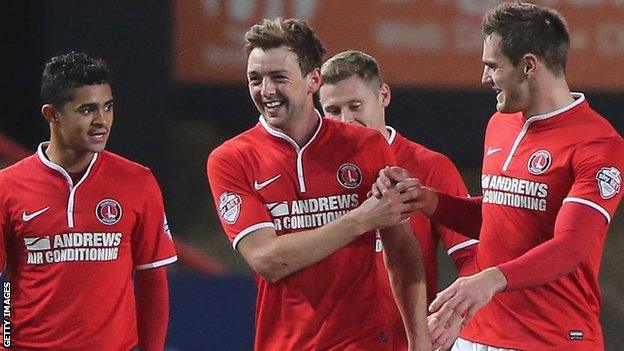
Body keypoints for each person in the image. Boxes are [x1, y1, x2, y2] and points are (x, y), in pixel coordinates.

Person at [376, 2, 624, 350]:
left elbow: (572, 246)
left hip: (551, 339)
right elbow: (502, 214)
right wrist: (431, 201)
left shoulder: (598, 144)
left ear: (528, 66)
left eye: (492, 66)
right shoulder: (500, 123)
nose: (484, 78)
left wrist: (491, 278)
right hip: (478, 333)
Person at [207, 18, 431, 350]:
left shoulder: (366, 146)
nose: (265, 91)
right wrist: (360, 219)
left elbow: (402, 250)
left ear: (313, 80)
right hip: (286, 343)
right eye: (255, 79)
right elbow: (269, 261)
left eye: (278, 77)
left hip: (364, 342)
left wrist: (419, 340)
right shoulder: (231, 159)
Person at [0, 52, 178, 350]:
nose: (102, 121)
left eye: (107, 107)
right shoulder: (7, 186)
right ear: (52, 114)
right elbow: (2, 287)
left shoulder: (138, 181)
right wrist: (4, 342)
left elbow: (153, 282)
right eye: (87, 110)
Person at [319, 50, 478, 349]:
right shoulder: (314, 172)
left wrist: (453, 314)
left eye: (356, 106)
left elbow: (473, 255)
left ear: (383, 95)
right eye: (333, 111)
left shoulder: (430, 167)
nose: (346, 121)